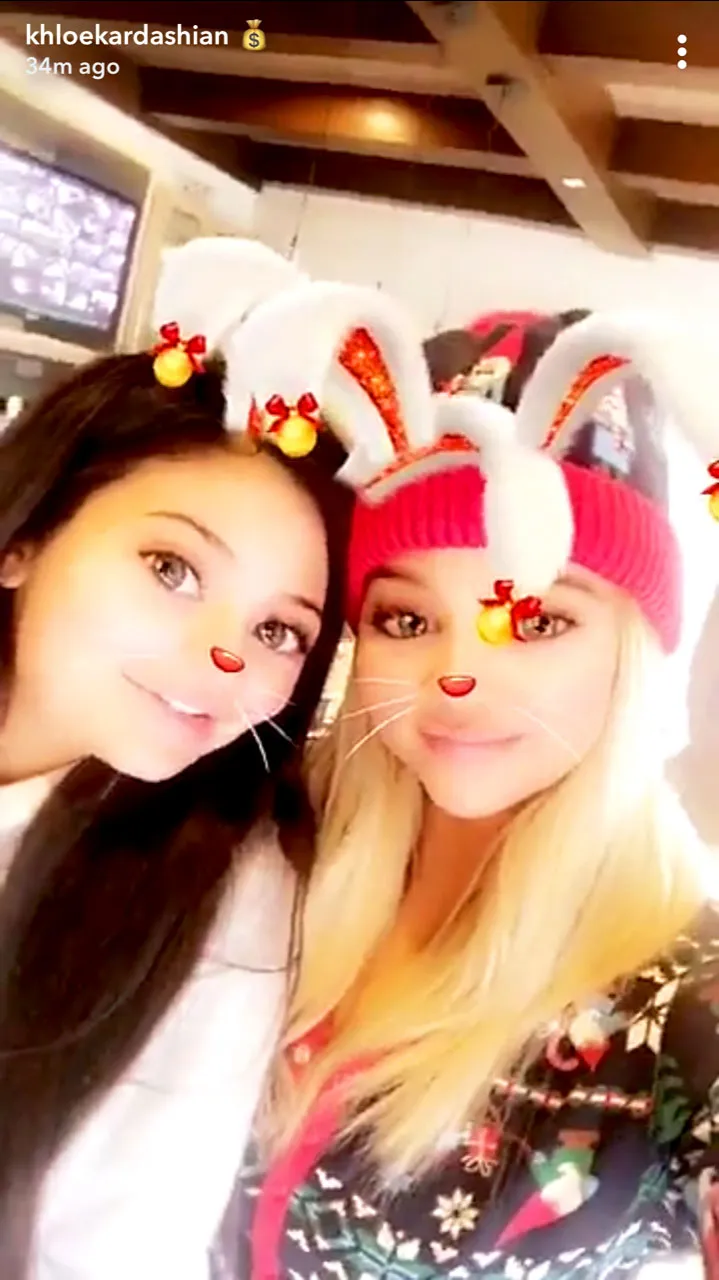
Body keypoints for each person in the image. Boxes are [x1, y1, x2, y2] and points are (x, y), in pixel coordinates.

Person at [212, 308, 719, 1279]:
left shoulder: (677, 999)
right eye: (406, 617)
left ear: (631, 649)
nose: (457, 678)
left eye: (534, 620)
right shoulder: (266, 840)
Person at [0, 236, 434, 1280]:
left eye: (280, 630)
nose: (224, 656)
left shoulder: (219, 902)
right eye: (173, 567)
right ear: (25, 538)